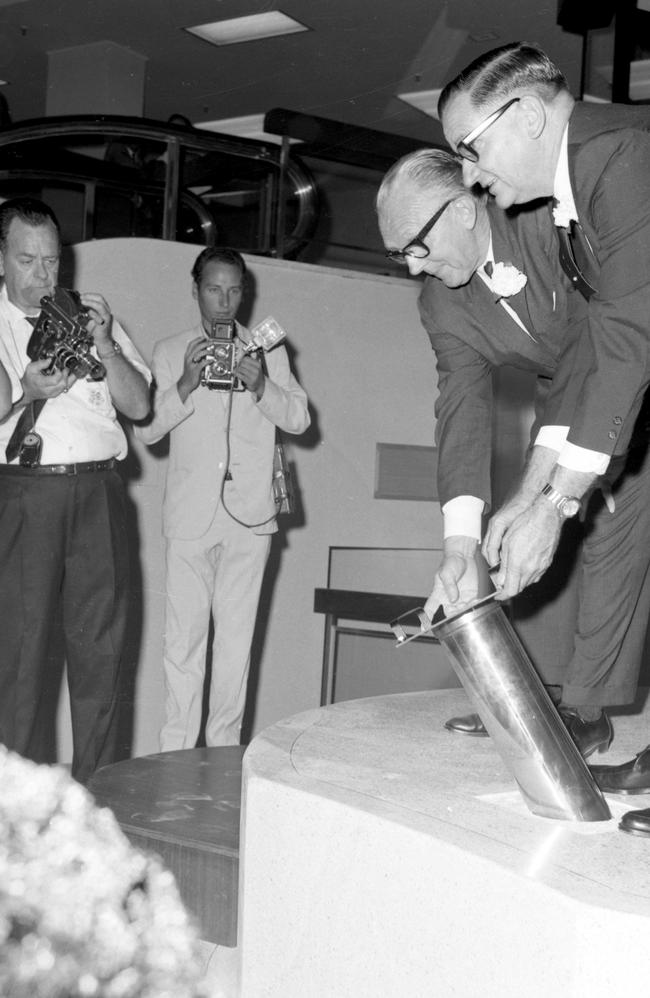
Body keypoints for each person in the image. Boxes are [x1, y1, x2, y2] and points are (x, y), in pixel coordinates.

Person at [437, 41, 650, 830]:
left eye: (472, 148)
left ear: (525, 115)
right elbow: (592, 356)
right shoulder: (576, 199)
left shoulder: (616, 159)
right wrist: (531, 495)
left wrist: (557, 508)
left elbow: (631, 339)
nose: (470, 174)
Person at [377, 148, 650, 760]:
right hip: (574, 399)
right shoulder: (441, 302)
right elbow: (462, 408)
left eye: (417, 246)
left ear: (464, 210)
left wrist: (540, 495)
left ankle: (583, 710)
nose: (415, 268)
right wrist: (458, 545)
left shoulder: (548, 224)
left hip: (628, 374)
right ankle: (562, 706)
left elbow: (594, 347)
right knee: (537, 538)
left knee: (603, 525)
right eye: (400, 256)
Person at [0, 196, 151, 785]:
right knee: (19, 659)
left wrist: (106, 344)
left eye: (52, 261)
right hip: (22, 497)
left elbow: (139, 404)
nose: (43, 275)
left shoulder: (88, 316)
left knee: (103, 658)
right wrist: (26, 393)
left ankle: (100, 800)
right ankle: (15, 809)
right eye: (27, 259)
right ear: (3, 259)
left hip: (98, 496)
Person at [135, 247, 310, 751]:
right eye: (214, 289)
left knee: (235, 648)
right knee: (181, 647)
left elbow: (299, 419)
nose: (224, 301)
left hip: (251, 519)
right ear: (196, 290)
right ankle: (173, 761)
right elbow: (147, 431)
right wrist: (186, 384)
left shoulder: (267, 349)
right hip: (189, 519)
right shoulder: (170, 351)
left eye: (234, 290)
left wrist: (261, 387)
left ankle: (224, 761)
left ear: (244, 292)